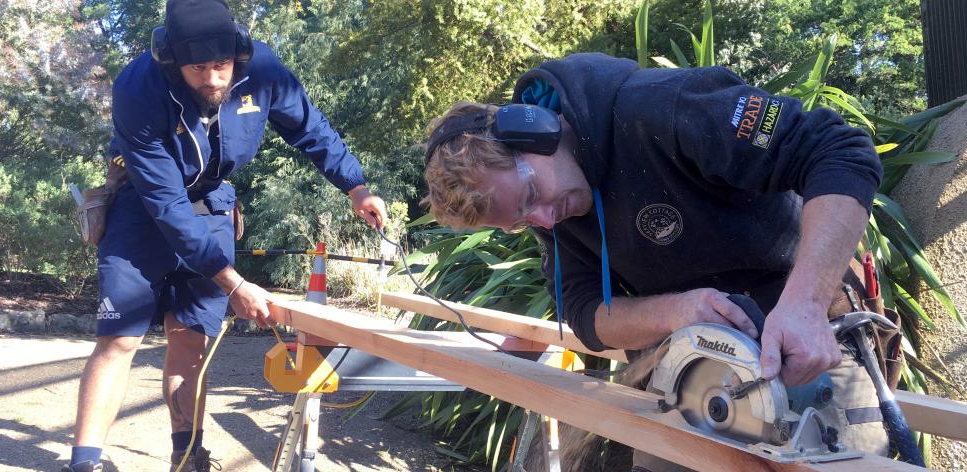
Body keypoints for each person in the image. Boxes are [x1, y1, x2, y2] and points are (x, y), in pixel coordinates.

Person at [422, 53, 890, 470]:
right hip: (691, 370)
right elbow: (582, 310)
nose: (545, 218)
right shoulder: (551, 211)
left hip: (807, 339)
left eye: (531, 195)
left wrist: (806, 303)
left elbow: (838, 150)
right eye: (523, 219)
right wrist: (676, 310)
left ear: (536, 131)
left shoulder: (663, 107)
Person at [63, 1, 387, 471]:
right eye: (199, 68)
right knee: (120, 338)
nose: (214, 79)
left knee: (191, 336)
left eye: (222, 66)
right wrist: (234, 283)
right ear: (172, 60)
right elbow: (168, 205)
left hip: (214, 203)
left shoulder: (263, 69)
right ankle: (85, 461)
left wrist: (355, 187)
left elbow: (309, 127)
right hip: (144, 206)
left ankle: (188, 454)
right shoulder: (137, 87)